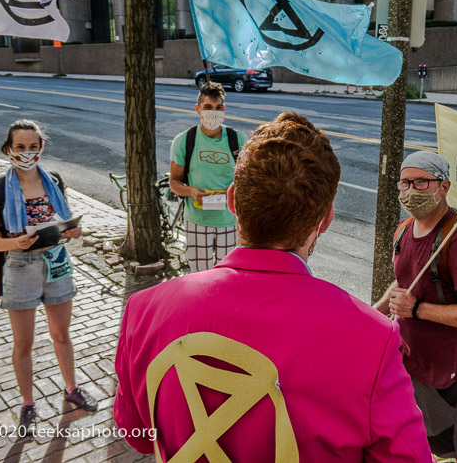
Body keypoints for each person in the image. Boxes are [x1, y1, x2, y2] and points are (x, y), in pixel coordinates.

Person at [115, 113, 432, 462]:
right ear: (325, 220)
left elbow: (139, 437)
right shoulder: (374, 339)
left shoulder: (143, 309)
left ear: (233, 201)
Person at [374, 151, 457, 463]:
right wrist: (371, 317)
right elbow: (404, 286)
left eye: (422, 182)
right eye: (405, 183)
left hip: (448, 373)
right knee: (412, 436)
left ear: (444, 187)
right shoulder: (404, 229)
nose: (411, 190)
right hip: (407, 363)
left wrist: (417, 310)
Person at [0, 120, 97, 436]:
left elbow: (65, 222)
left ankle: (71, 388)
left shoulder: (54, 182)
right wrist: (13, 243)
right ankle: (28, 404)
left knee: (62, 334)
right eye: (20, 147)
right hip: (20, 267)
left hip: (56, 262)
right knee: (24, 343)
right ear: (9, 150)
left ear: (41, 148)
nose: (27, 153)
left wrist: (73, 231)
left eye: (33, 147)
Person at [168, 81, 247, 272]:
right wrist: (191, 191)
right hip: (197, 221)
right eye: (208, 107)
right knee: (199, 276)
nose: (214, 112)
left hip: (230, 223)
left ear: (224, 109)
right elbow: (174, 182)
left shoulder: (238, 140)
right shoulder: (185, 140)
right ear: (198, 109)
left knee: (228, 275)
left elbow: (249, 182)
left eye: (218, 107)